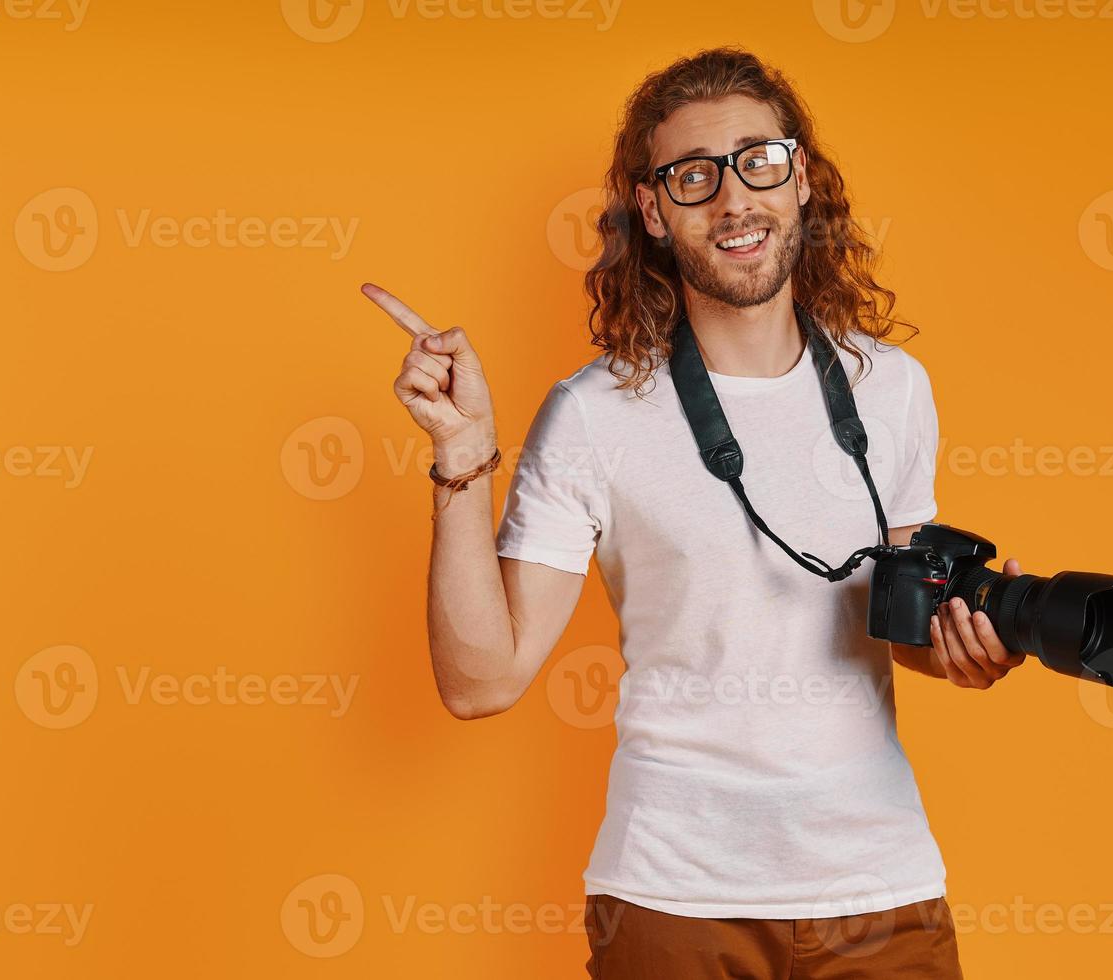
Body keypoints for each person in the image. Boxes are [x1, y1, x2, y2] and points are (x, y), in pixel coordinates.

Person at [362, 46, 1027, 980]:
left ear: (801, 178)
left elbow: (899, 626)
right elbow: (482, 681)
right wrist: (463, 457)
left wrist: (966, 652)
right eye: (693, 177)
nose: (733, 200)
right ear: (652, 211)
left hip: (881, 889)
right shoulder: (596, 413)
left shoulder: (895, 390)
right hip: (674, 896)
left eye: (759, 159)